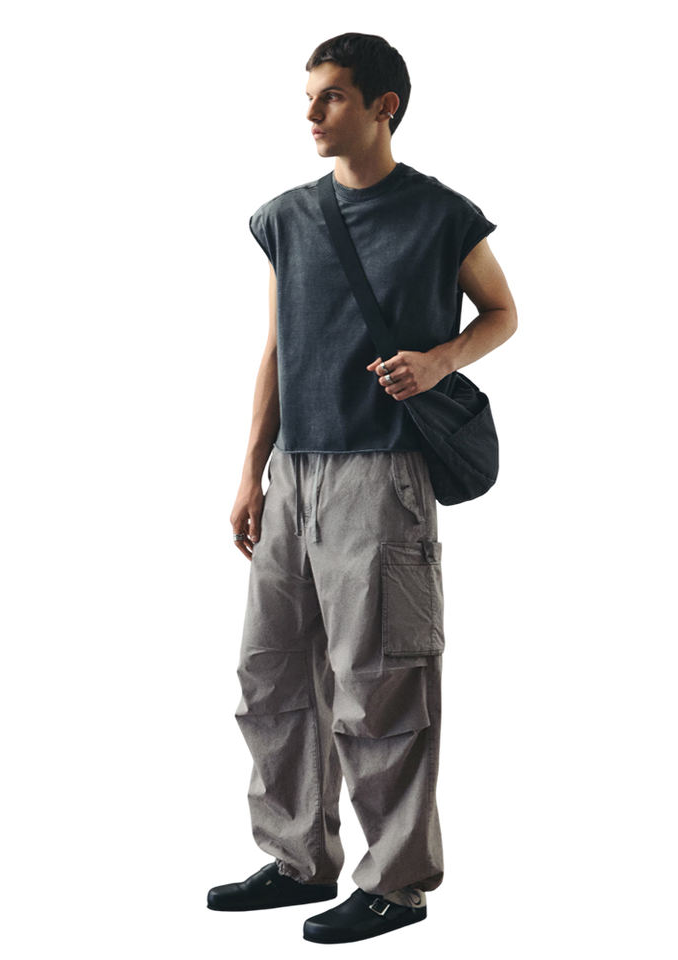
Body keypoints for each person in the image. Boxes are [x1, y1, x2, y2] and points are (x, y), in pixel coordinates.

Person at [207, 32, 517, 944]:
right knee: (270, 675)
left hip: (382, 473)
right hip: (295, 473)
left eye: (333, 96)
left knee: (381, 683)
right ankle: (298, 858)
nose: (311, 113)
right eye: (309, 95)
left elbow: (503, 312)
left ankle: (396, 883)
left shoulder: (441, 215)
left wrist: (441, 360)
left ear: (385, 106)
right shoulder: (286, 217)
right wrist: (251, 471)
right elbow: (277, 348)